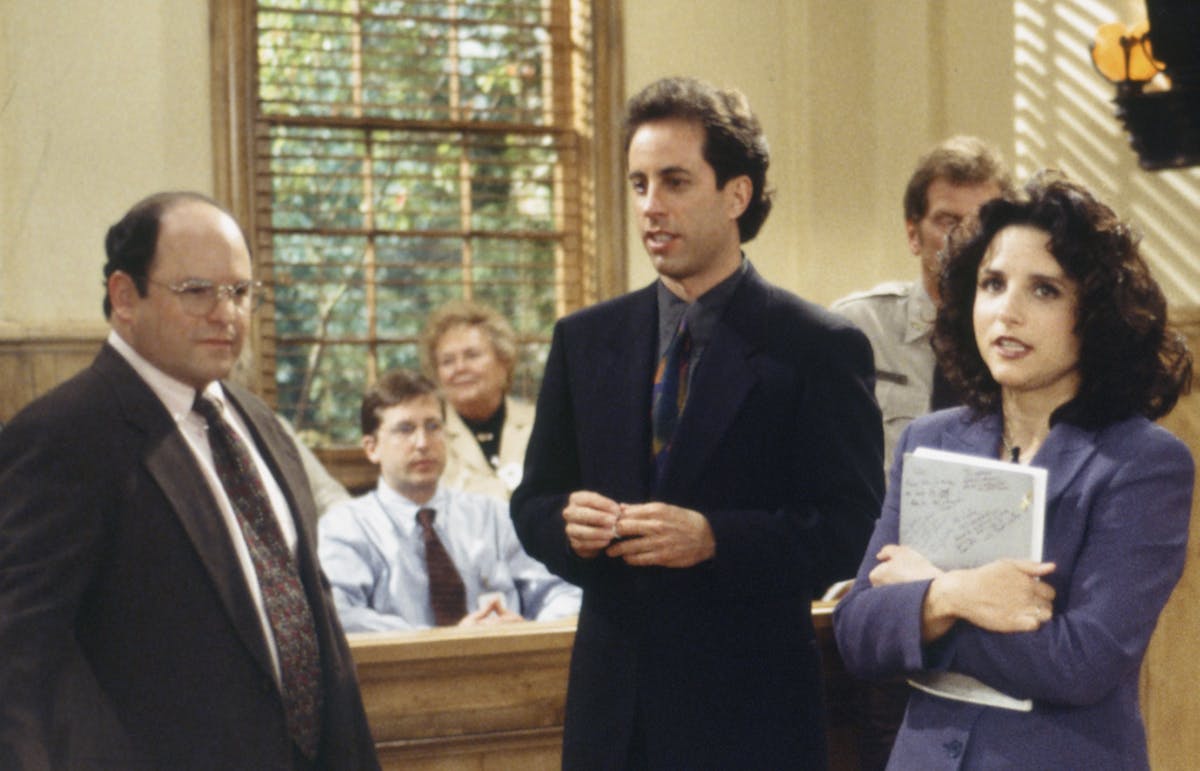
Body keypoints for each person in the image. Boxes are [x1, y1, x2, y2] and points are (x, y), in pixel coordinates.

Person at [510, 76, 885, 769]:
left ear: (737, 195)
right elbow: (532, 501)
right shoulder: (584, 339)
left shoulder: (817, 346)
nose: (651, 206)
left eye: (675, 182)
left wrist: (715, 538)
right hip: (611, 722)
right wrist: (565, 523)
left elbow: (851, 528)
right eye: (639, 184)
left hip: (750, 721)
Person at [0, 191, 379, 770]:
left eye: (240, 292)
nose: (226, 314)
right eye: (197, 291)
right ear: (125, 297)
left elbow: (316, 626)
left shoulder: (259, 424)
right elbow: (19, 659)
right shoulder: (63, 435)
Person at [833, 173, 1194, 769]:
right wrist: (957, 593)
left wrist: (924, 608)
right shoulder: (930, 439)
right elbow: (857, 633)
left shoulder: (1143, 462)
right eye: (992, 284)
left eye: (1045, 290)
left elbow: (1080, 663)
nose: (1008, 312)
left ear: (1095, 312)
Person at [318, 368, 580, 632]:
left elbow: (563, 592)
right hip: (406, 659)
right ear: (371, 447)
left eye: (433, 426)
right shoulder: (346, 527)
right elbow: (339, 615)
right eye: (405, 429)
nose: (423, 443)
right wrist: (444, 641)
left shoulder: (494, 516)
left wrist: (526, 631)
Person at [833, 136, 1013, 472]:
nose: (966, 237)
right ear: (913, 234)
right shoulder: (858, 328)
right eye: (948, 221)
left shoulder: (1021, 339)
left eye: (982, 222)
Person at [420, 300, 533, 500]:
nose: (460, 368)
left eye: (472, 355)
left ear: (504, 361)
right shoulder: (426, 438)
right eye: (447, 361)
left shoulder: (540, 423)